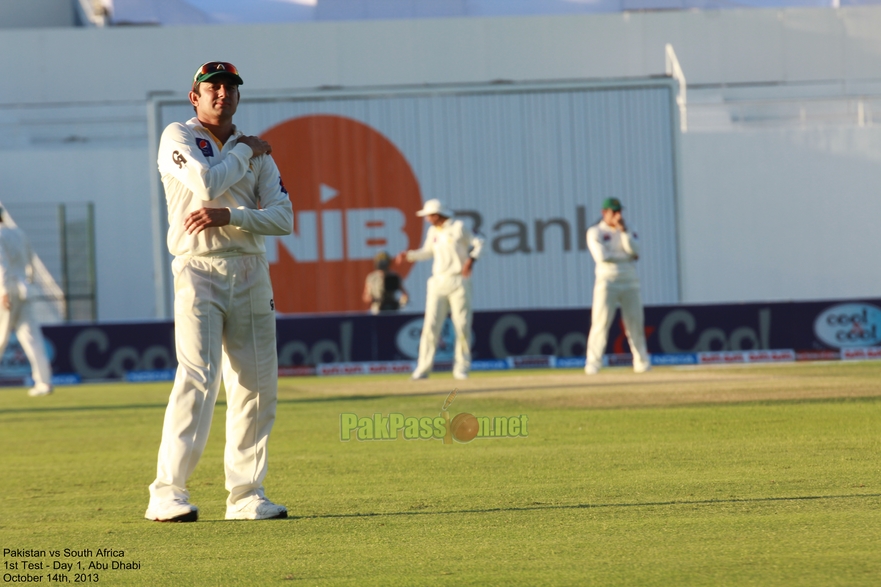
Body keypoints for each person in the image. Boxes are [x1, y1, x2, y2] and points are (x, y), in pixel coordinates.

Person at [145, 61, 294, 523]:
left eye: (230, 87)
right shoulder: (179, 137)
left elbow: (284, 218)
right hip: (198, 268)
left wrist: (234, 217)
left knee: (255, 385)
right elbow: (205, 183)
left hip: (250, 269)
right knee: (199, 376)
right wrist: (246, 154)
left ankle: (246, 495)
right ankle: (167, 493)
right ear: (195, 96)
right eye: (212, 88)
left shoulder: (255, 151)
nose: (222, 94)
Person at [395, 199, 483, 380]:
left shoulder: (459, 227)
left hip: (459, 281)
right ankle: (423, 368)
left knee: (462, 325)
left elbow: (480, 241)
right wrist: (409, 255)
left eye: (428, 216)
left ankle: (461, 368)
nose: (426, 219)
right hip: (438, 282)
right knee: (431, 326)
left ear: (436, 215)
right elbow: (427, 252)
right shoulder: (433, 231)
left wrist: (471, 260)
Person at [585, 198, 650, 375]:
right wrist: (626, 257)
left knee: (635, 323)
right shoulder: (595, 232)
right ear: (604, 213)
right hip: (607, 281)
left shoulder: (629, 228)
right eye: (614, 212)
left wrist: (623, 231)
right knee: (601, 322)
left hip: (630, 280)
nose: (618, 215)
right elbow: (602, 257)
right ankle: (593, 363)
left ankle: (641, 362)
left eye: (620, 211)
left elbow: (636, 250)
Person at [0, 208, 54, 397]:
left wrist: (4, 291)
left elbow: (2, 264)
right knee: (32, 338)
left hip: (7, 290)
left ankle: (43, 383)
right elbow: (31, 260)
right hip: (25, 288)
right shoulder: (19, 233)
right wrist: (29, 281)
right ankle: (44, 382)